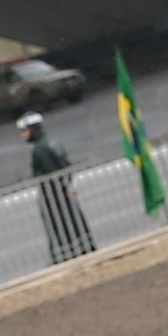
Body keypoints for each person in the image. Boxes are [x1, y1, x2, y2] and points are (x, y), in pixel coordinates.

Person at [19, 112, 98, 265]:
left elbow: (50, 172)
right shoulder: (52, 143)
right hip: (63, 194)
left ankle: (65, 255)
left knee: (59, 227)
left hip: (53, 197)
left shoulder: (40, 150)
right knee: (74, 223)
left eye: (25, 131)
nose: (23, 135)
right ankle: (84, 248)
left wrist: (58, 188)